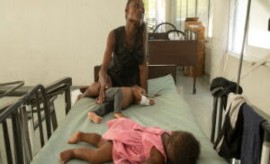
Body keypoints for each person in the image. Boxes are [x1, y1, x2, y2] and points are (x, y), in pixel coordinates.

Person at [79, 0, 148, 104]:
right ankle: (82, 96)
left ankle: (97, 88)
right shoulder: (114, 35)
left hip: (131, 81)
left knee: (135, 95)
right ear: (126, 10)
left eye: (142, 9)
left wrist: (145, 93)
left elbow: (143, 67)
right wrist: (103, 84)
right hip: (113, 76)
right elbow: (103, 69)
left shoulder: (143, 33)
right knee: (101, 88)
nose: (140, 10)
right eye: (136, 6)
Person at [59, 118, 200, 164]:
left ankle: (82, 135)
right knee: (96, 156)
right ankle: (73, 153)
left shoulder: (167, 133)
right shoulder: (158, 156)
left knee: (101, 141)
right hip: (124, 145)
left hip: (127, 132)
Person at [88, 85, 155, 123]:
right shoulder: (134, 90)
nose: (143, 94)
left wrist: (146, 98)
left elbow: (138, 100)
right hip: (112, 93)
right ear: (137, 88)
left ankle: (94, 113)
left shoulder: (132, 100)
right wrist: (147, 101)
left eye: (144, 94)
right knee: (118, 91)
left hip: (115, 102)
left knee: (107, 107)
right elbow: (138, 96)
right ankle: (117, 112)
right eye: (142, 92)